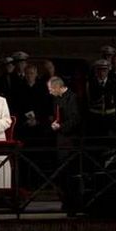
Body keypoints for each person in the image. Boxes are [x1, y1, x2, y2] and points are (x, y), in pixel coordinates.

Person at [48, 76, 82, 215]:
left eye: (51, 89)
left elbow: (75, 119)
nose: (49, 92)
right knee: (62, 174)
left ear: (57, 87)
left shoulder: (73, 98)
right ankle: (66, 202)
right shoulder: (56, 98)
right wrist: (54, 123)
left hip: (71, 141)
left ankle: (74, 204)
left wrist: (61, 127)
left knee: (71, 174)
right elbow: (56, 115)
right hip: (61, 141)